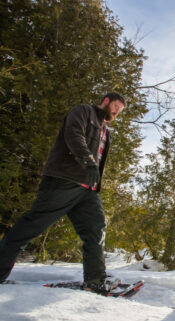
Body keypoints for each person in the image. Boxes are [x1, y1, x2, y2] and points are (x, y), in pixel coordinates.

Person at [0, 92, 125, 293]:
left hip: (87, 190)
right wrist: (88, 161)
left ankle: (95, 279)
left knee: (96, 229)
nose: (117, 111)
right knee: (30, 227)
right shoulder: (83, 111)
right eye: (116, 105)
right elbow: (73, 134)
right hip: (63, 181)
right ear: (106, 101)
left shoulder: (106, 131)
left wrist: (94, 176)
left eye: (121, 109)